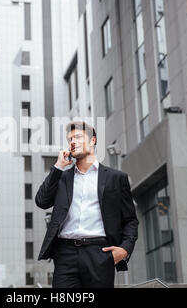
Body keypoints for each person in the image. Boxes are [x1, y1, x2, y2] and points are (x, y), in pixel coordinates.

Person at [35, 121, 139, 288]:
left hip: (99, 252)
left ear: (93, 140)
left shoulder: (115, 178)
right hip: (65, 254)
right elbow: (41, 201)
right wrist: (58, 167)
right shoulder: (62, 177)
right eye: (69, 139)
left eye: (77, 137)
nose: (72, 142)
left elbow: (130, 220)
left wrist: (125, 249)